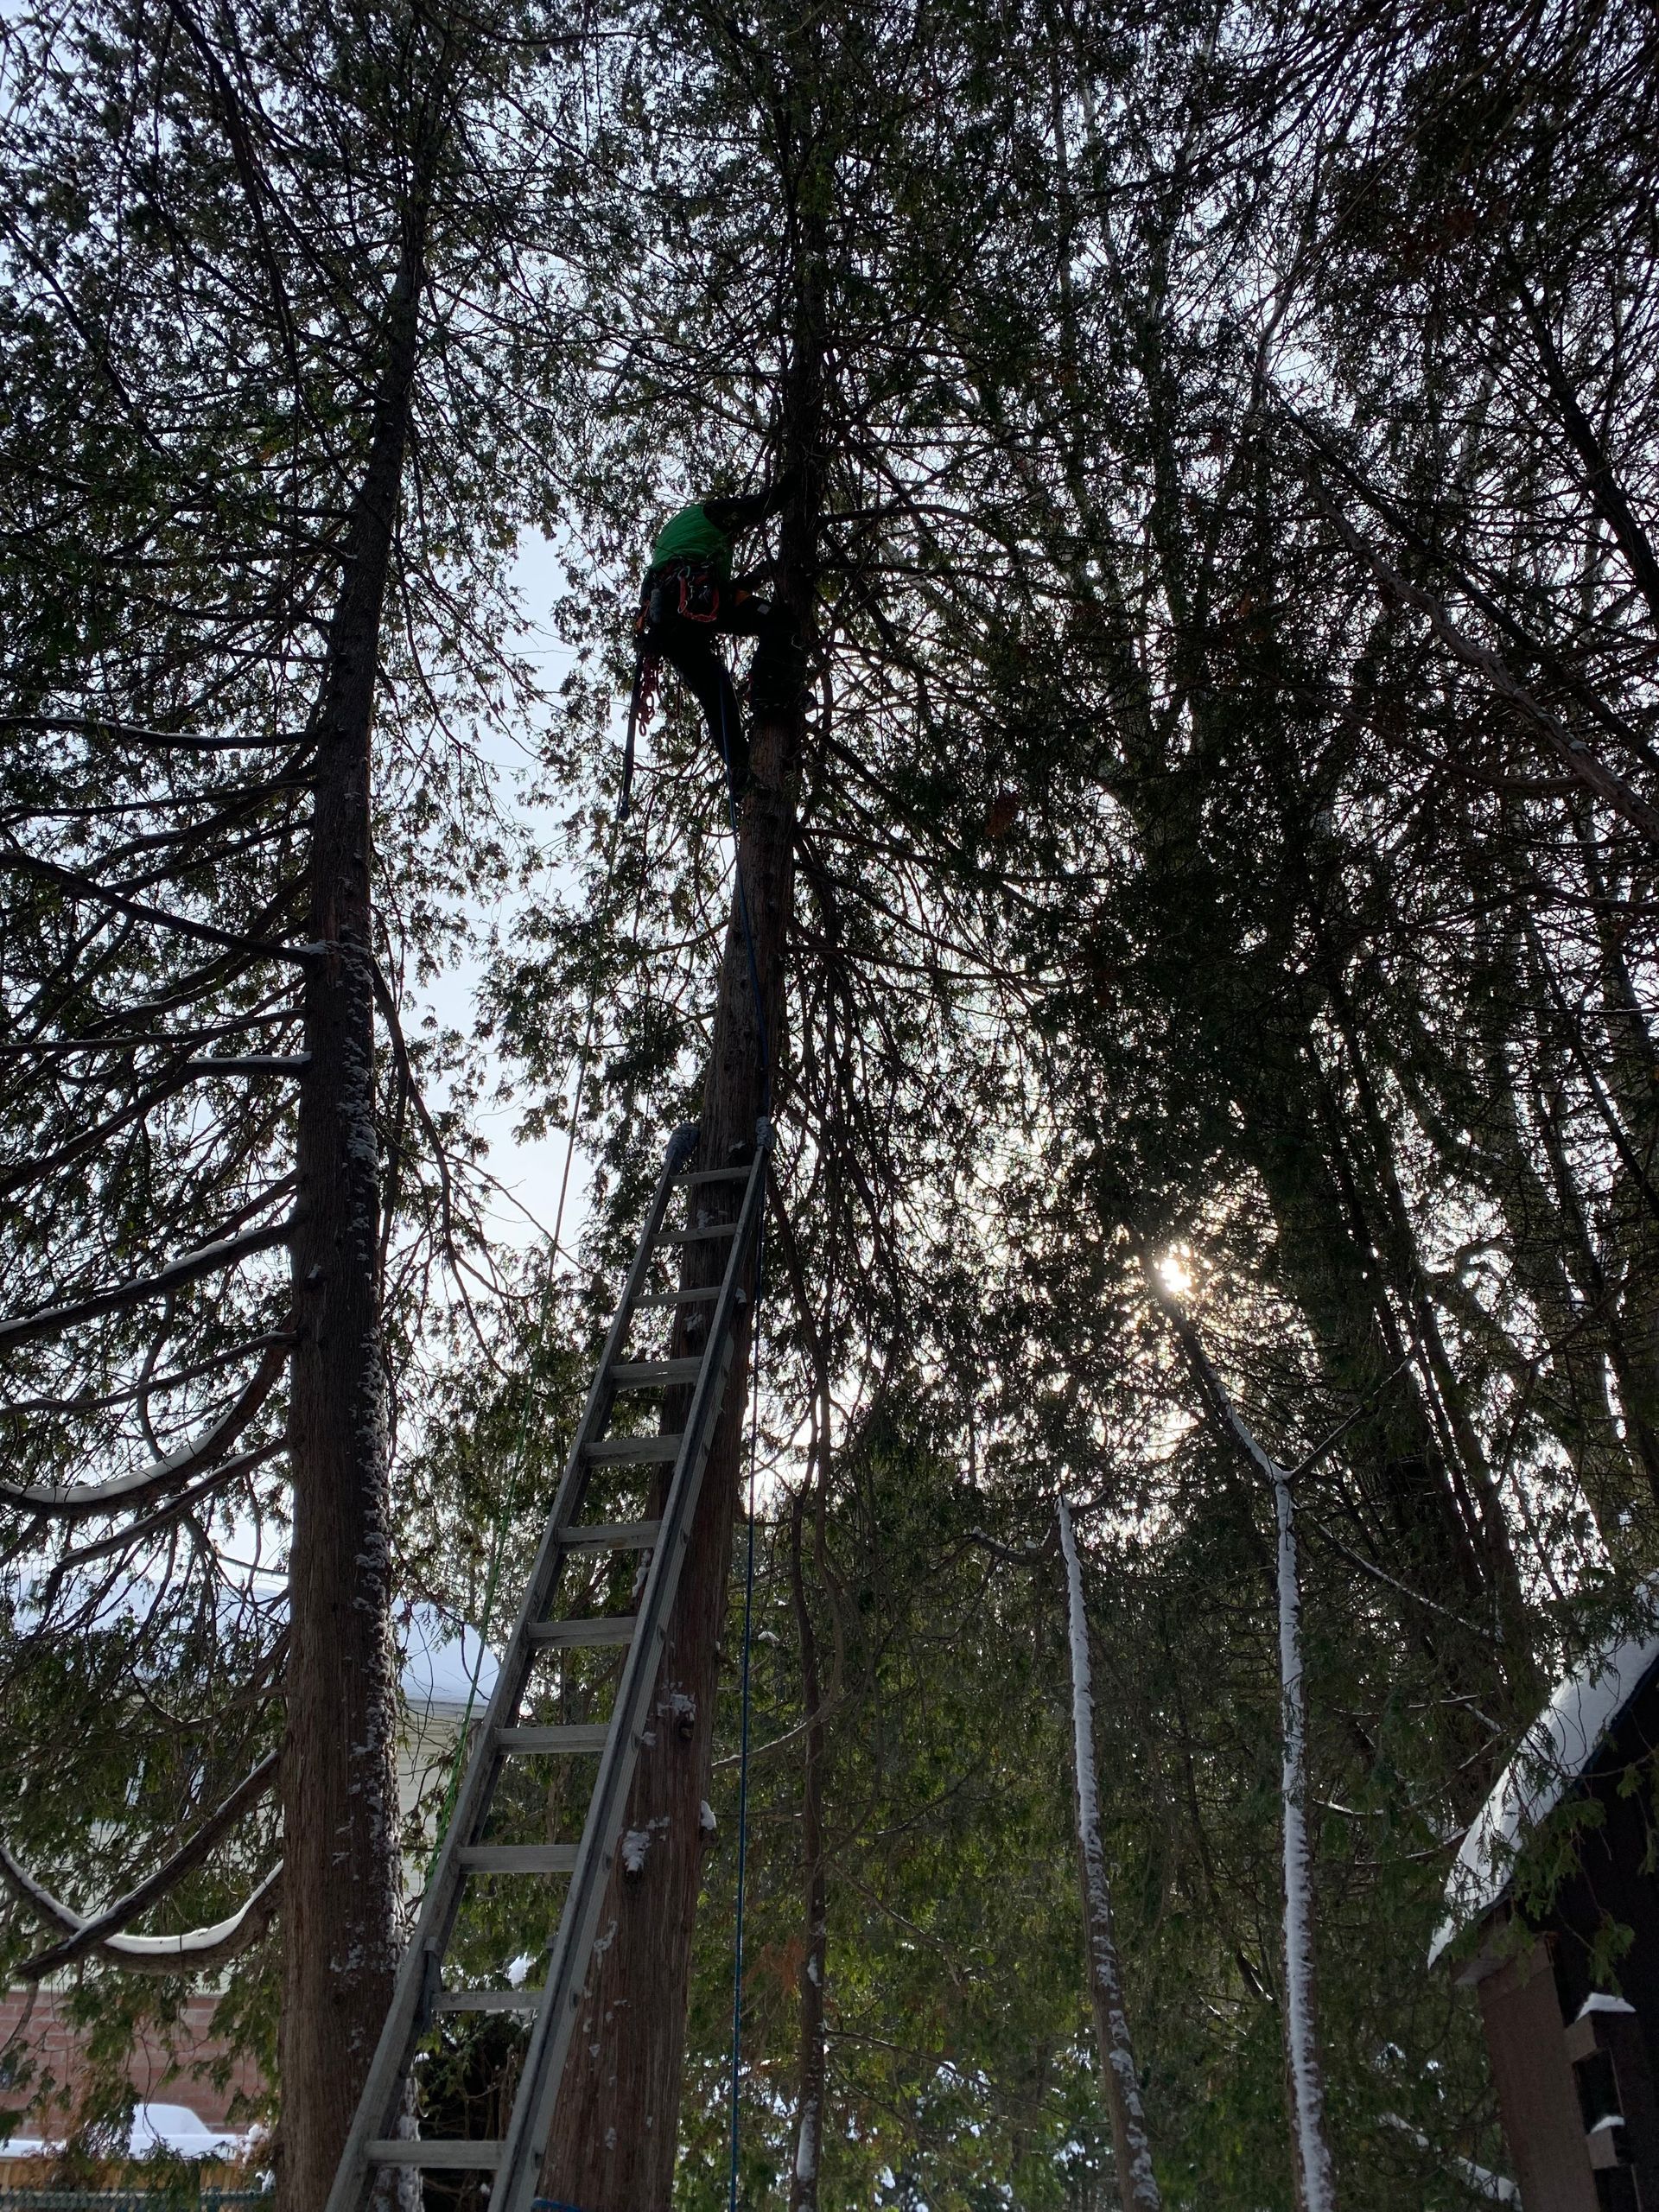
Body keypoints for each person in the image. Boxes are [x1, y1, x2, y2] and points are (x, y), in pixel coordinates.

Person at [634, 470, 802, 797]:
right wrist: (792, 484)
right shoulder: (708, 515)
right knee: (778, 622)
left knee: (716, 688)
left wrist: (753, 578)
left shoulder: (678, 540)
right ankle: (768, 689)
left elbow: (723, 596)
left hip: (666, 619)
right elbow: (757, 506)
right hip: (691, 595)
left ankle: (738, 765)